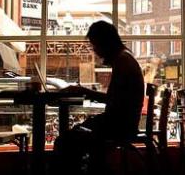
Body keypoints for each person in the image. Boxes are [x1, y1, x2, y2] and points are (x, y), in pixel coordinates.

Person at [53, 20, 144, 174]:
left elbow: (113, 100)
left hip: (119, 126)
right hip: (124, 123)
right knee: (73, 136)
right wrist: (85, 91)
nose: (95, 51)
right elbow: (116, 98)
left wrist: (84, 91)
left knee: (65, 141)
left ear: (105, 43)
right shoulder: (125, 59)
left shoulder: (122, 62)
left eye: (96, 45)